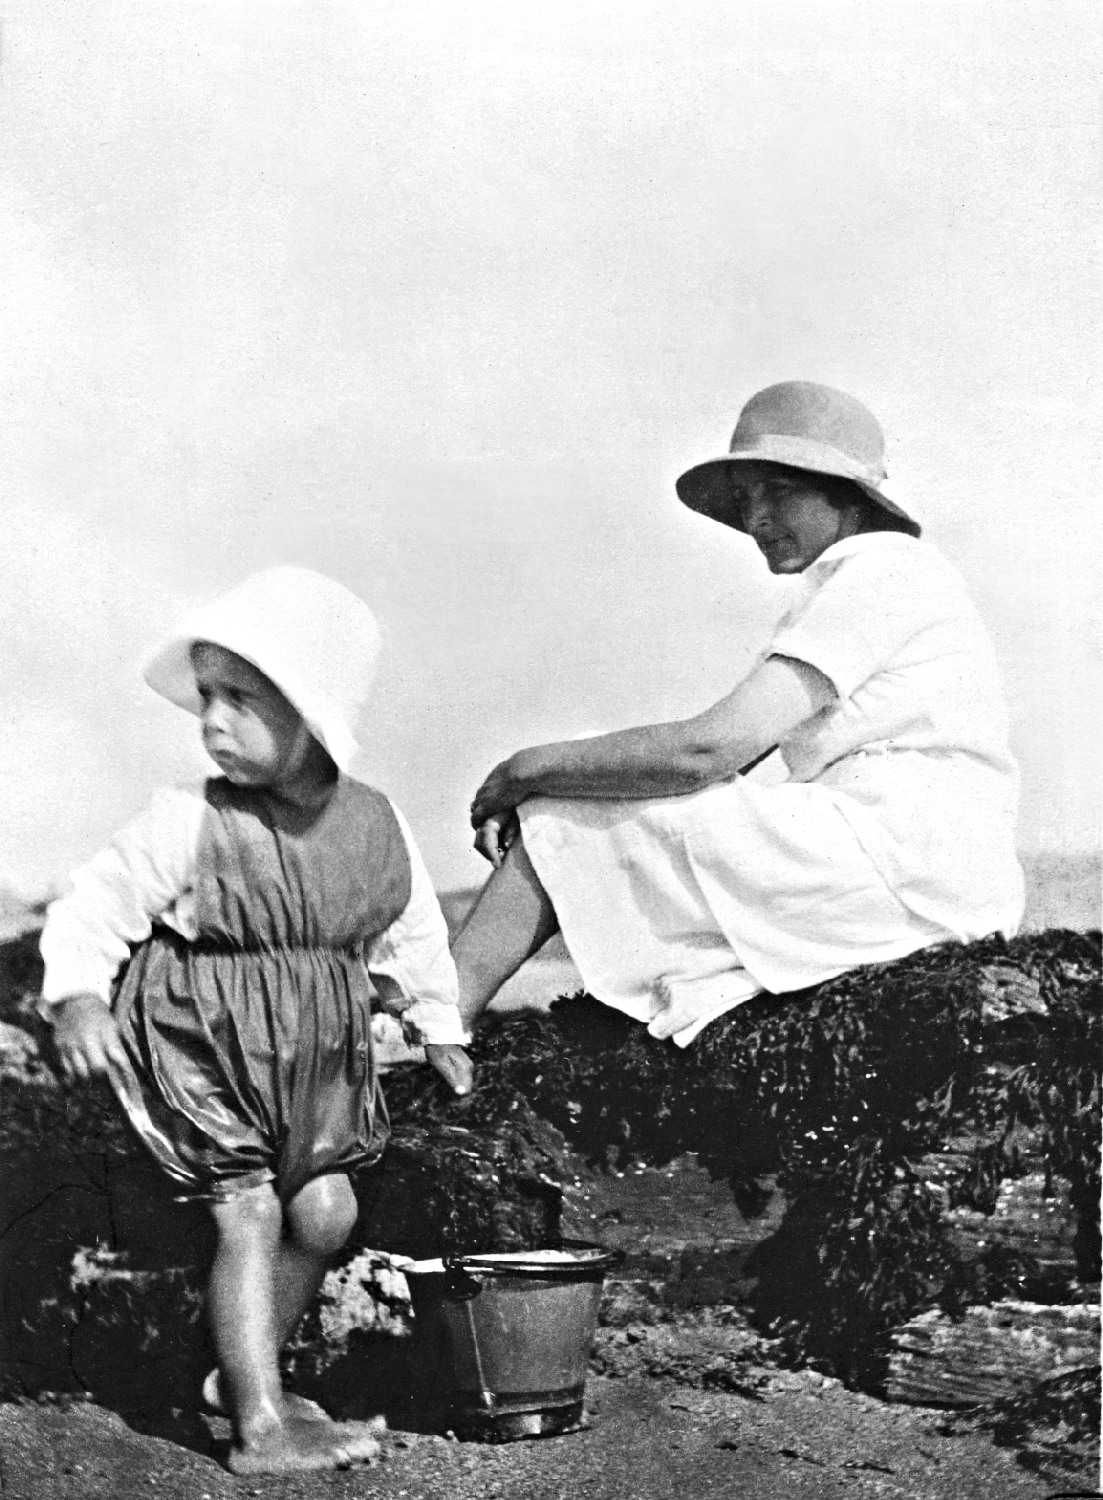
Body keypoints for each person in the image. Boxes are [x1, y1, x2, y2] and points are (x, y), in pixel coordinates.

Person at [39, 566, 473, 1475]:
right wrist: (78, 995)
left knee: (326, 1212)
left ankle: (237, 1377)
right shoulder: (190, 819)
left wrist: (438, 1023)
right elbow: (97, 903)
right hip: (200, 1043)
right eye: (206, 698)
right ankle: (262, 1427)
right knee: (247, 1212)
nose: (212, 723)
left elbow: (412, 930)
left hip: (312, 1057)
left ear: (314, 711)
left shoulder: (375, 823)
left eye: (241, 699)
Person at [453, 381, 1024, 1045]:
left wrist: (524, 773)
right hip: (924, 869)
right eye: (747, 499)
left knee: (566, 809)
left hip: (903, 867)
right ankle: (439, 1008)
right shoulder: (861, 583)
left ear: (848, 496)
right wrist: (568, 780)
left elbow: (708, 751)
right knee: (585, 794)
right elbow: (724, 758)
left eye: (779, 490)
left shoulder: (880, 574)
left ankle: (435, 1013)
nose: (757, 518)